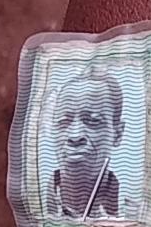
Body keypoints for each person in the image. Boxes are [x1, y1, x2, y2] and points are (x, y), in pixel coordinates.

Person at [46, 66, 125, 218]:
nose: (75, 135)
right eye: (64, 122)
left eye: (92, 121)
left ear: (118, 134)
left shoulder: (137, 211)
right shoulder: (33, 201)